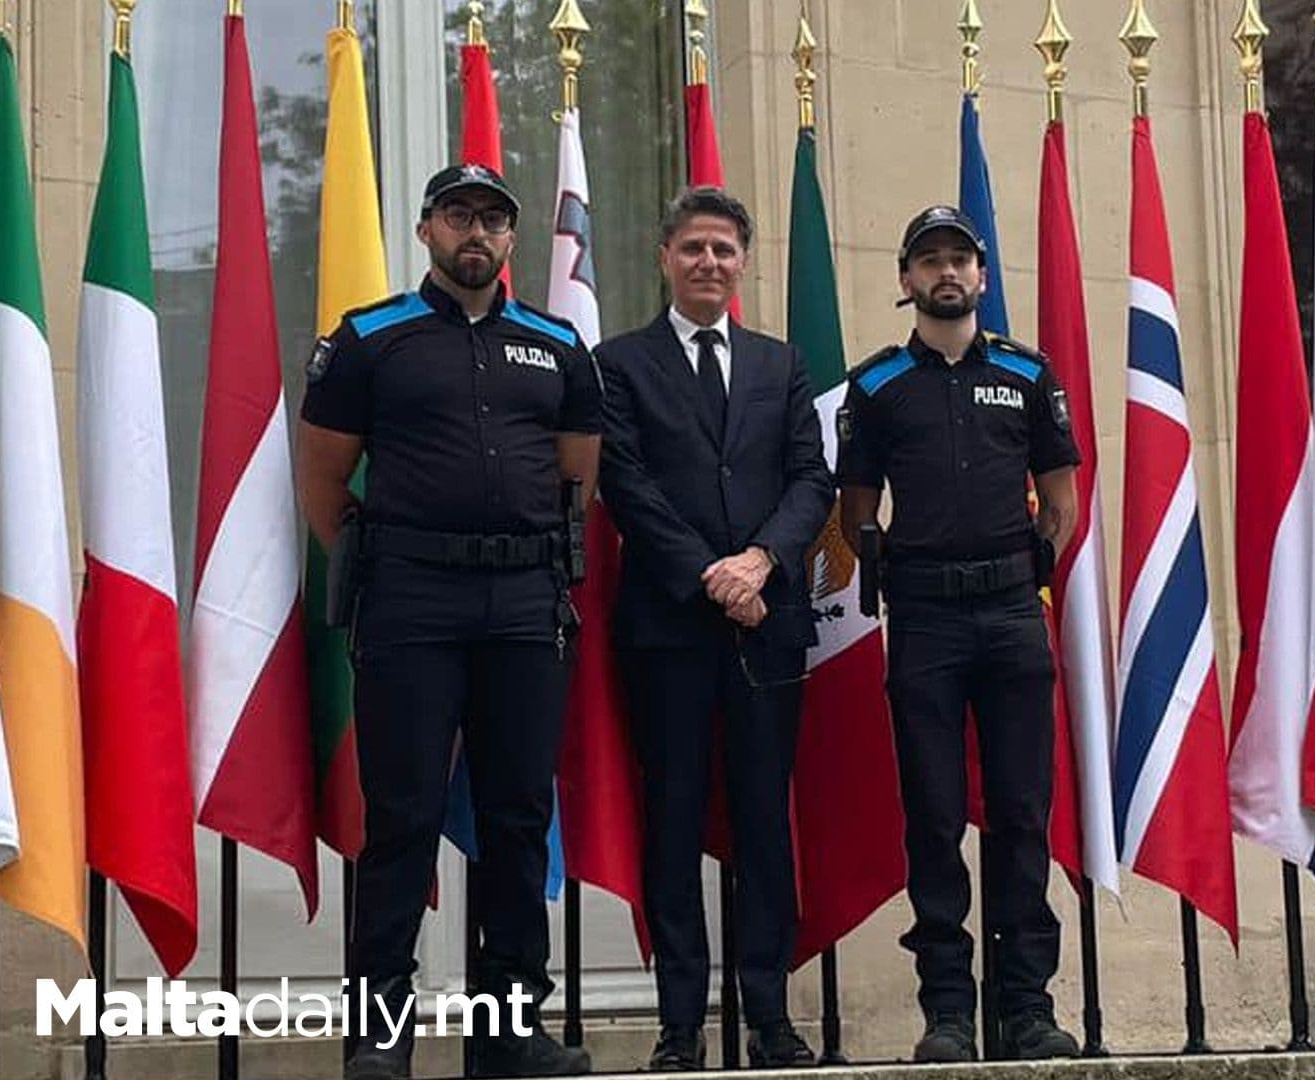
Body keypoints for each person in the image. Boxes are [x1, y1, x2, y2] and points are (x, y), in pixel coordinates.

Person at [298, 163, 597, 1080]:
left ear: (512, 241)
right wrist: (392, 559)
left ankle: (507, 1032)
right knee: (403, 816)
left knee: (515, 818)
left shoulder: (555, 345)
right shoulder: (369, 339)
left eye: (495, 221)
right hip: (411, 603)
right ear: (427, 229)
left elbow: (577, 476)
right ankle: (378, 1036)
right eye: (461, 217)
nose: (479, 234)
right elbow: (320, 478)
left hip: (521, 605)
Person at [835, 206, 1083, 1063]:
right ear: (905, 280)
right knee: (934, 816)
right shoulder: (874, 389)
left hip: (1013, 615)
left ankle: (1027, 1007)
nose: (946, 274)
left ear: (981, 277)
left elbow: (1062, 502)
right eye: (929, 261)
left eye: (960, 261)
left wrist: (1017, 570)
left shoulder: (1024, 373)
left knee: (1021, 812)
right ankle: (946, 1009)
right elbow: (857, 513)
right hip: (928, 620)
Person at [594, 186, 833, 1072]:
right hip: (670, 631)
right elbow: (627, 484)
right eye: (693, 248)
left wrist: (761, 562)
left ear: (743, 262)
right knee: (673, 819)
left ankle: (770, 1017)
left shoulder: (781, 364)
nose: (708, 263)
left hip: (768, 626)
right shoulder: (618, 363)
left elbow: (811, 479)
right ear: (665, 258)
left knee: (767, 821)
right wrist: (710, 574)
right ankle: (681, 1024)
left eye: (724, 250)